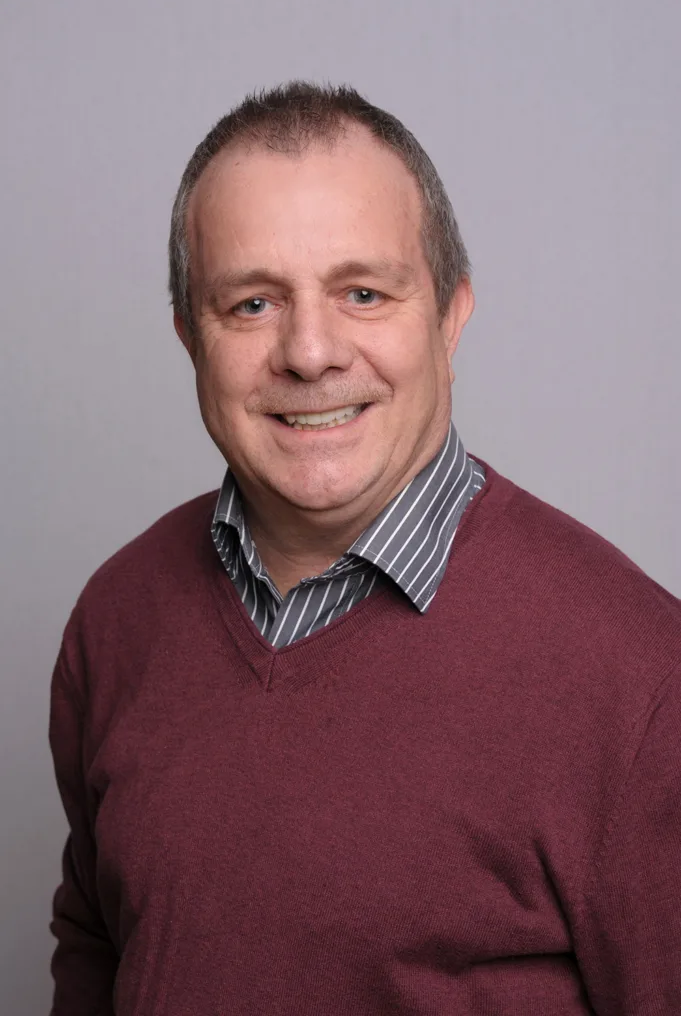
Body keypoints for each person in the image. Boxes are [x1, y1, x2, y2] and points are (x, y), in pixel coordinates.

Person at [48, 81, 681, 1016]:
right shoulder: (118, 615)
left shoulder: (641, 679)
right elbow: (95, 948)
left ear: (450, 317)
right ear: (190, 338)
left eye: (362, 293)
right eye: (251, 303)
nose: (310, 352)